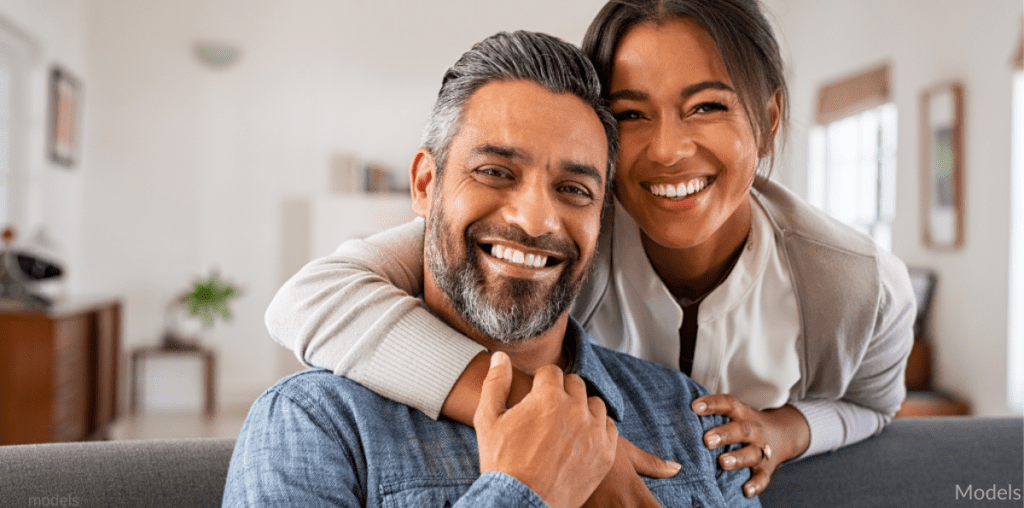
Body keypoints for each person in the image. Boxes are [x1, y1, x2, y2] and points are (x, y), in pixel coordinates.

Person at [265, 0, 916, 498]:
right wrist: (555, 424)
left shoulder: (853, 282)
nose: (667, 149)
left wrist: (788, 429)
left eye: (707, 106)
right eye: (631, 113)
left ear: (769, 120)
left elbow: (875, 404)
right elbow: (311, 298)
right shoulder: (565, 232)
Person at [224, 30, 758, 507]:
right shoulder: (315, 424)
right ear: (425, 186)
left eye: (574, 189)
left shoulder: (690, 417)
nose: (534, 219)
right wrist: (524, 492)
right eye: (496, 172)